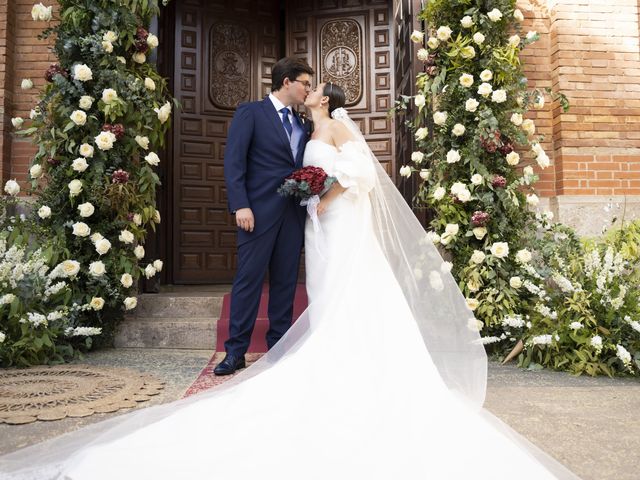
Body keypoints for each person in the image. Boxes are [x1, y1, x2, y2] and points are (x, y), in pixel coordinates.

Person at [0, 84, 581, 480]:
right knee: (325, 293)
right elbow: (289, 169)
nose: (311, 93)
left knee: (352, 293)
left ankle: (352, 366)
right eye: (306, 86)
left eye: (317, 89)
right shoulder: (295, 123)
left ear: (327, 99)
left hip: (339, 223)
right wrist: (306, 196)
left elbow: (360, 180)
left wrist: (322, 198)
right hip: (315, 228)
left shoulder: (337, 128)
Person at [216, 57, 314, 375]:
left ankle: (279, 347)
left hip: (291, 214)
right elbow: (234, 162)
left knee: (285, 283)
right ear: (287, 81)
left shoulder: (303, 123)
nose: (308, 90)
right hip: (256, 212)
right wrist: (240, 204)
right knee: (248, 281)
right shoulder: (251, 113)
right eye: (305, 83)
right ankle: (235, 352)